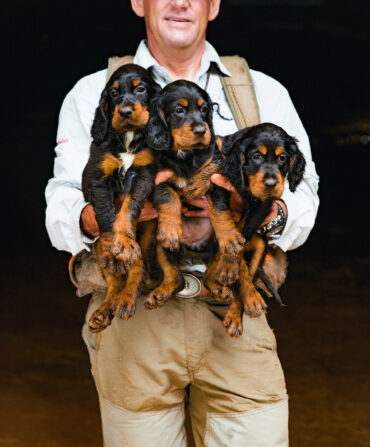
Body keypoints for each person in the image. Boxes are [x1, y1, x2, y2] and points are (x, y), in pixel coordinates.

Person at [45, 0, 319, 445]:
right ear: (138, 3)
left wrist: (258, 213)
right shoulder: (94, 91)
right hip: (134, 318)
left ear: (214, 5)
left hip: (234, 315)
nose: (180, 2)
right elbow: (61, 201)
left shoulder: (262, 92)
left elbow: (304, 193)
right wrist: (121, 215)